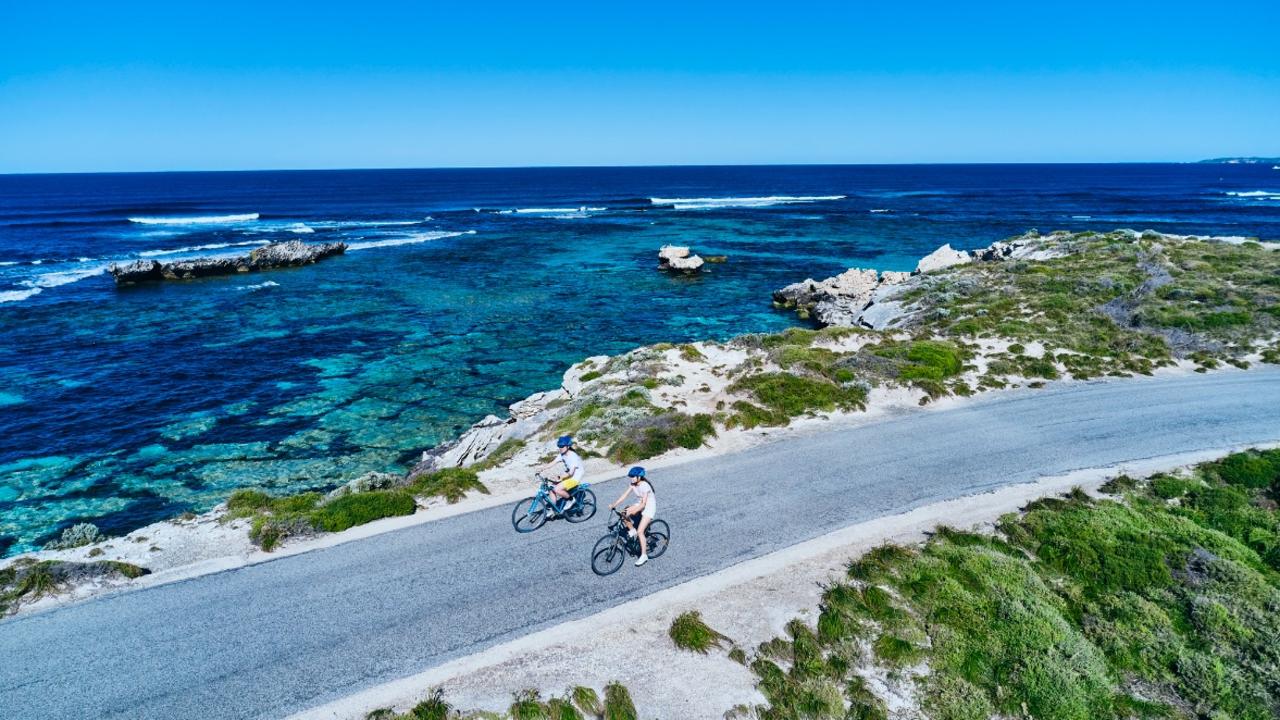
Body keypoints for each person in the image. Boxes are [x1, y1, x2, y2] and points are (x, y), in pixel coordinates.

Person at [609, 466, 656, 566]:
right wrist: (614, 504)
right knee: (623, 513)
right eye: (630, 476)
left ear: (639, 477)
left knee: (640, 531)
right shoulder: (633, 484)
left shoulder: (645, 486)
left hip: (649, 507)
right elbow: (624, 495)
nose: (631, 478)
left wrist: (634, 511)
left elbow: (644, 504)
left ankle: (644, 556)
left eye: (633, 476)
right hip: (640, 504)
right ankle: (632, 530)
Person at [541, 435, 584, 515]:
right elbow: (553, 462)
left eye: (562, 446)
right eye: (559, 446)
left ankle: (571, 499)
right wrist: (542, 468)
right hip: (569, 476)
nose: (560, 448)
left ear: (568, 446)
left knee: (557, 489)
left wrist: (561, 477)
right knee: (551, 488)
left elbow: (571, 473)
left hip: (575, 478)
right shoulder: (562, 454)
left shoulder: (573, 456)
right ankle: (553, 509)